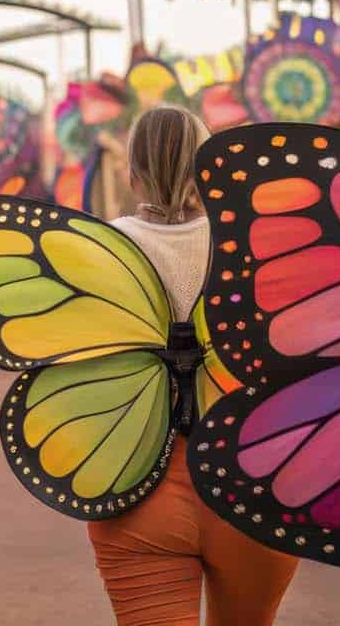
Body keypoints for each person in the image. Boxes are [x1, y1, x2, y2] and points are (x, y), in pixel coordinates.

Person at [85, 106, 300, 626]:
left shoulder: (98, 249)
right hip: (250, 478)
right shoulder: (253, 243)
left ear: (132, 172)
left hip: (137, 479)